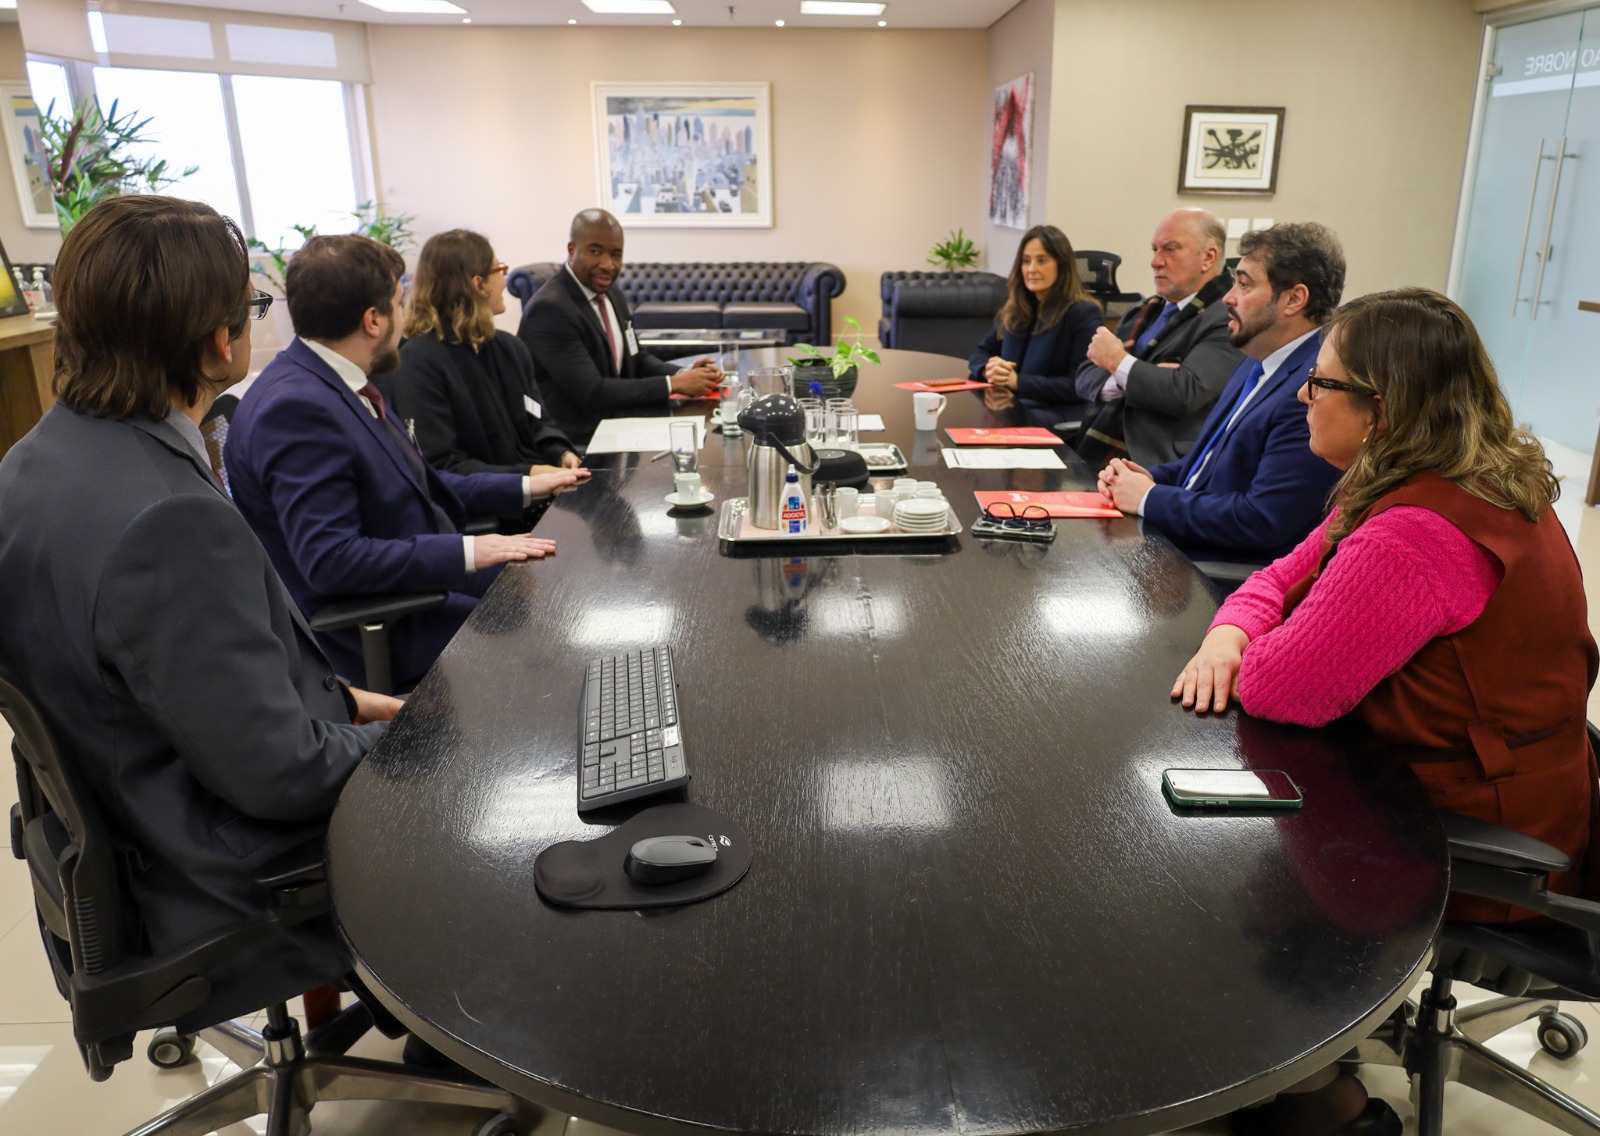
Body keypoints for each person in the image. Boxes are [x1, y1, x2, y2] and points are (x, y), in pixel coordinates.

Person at [1174, 289, 1597, 1134]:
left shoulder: (1414, 532)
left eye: (1322, 383)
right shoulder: (1445, 478)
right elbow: (1278, 575)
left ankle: (1316, 1099)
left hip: (1484, 835)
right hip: (1513, 781)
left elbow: (1282, 689)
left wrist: (1246, 649)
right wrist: (1228, 630)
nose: (1301, 394)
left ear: (1384, 409)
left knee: (1198, 884)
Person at [0, 195, 400, 1024]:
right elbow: (281, 776)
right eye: (251, 310)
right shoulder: (166, 521)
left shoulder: (32, 463)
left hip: (128, 838)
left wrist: (352, 706)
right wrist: (418, 741)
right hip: (218, 878)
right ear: (222, 340)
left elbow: (161, 682)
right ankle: (466, 1034)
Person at [226, 234, 582, 691]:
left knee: (566, 586)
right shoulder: (296, 409)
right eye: (399, 302)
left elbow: (421, 483)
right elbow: (332, 560)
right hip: (387, 623)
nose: (405, 315)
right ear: (373, 320)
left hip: (421, 582)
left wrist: (531, 486)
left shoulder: (336, 382)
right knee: (559, 636)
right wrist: (469, 551)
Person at [1096, 223, 1345, 562]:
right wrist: (1147, 476)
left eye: (1244, 284)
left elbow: (1262, 520)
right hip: (1183, 546)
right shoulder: (1255, 360)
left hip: (1221, 574)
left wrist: (1149, 497)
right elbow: (1208, 466)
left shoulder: (1310, 388)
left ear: (1294, 299)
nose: (1228, 297)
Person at [388, 228, 585, 477]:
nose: (504, 280)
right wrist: (530, 475)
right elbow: (442, 464)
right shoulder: (418, 363)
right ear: (478, 284)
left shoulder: (510, 349)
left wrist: (560, 452)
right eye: (499, 270)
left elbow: (538, 421)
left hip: (539, 486)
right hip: (487, 506)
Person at [517, 208, 722, 444]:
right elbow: (593, 393)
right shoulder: (550, 310)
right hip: (577, 441)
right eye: (596, 251)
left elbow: (636, 357)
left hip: (617, 421)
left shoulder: (610, 292)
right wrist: (674, 384)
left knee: (705, 438)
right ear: (572, 250)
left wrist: (684, 374)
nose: (608, 265)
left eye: (616, 254)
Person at [1072, 208, 1242, 466]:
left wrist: (1118, 363)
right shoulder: (1144, 310)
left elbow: (1184, 393)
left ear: (1209, 257)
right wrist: (1131, 378)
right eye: (1155, 250)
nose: (1156, 262)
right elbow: (1084, 376)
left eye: (1170, 249)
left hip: (1158, 463)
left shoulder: (1228, 318)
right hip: (1098, 443)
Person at [967, 224, 1103, 418]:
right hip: (1010, 407)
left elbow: (1079, 384)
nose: (1031, 269)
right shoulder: (1017, 307)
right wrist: (989, 369)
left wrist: (1017, 382)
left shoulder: (1082, 313)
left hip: (1051, 414)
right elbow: (980, 352)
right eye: (1026, 261)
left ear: (1061, 264)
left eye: (1041, 261)